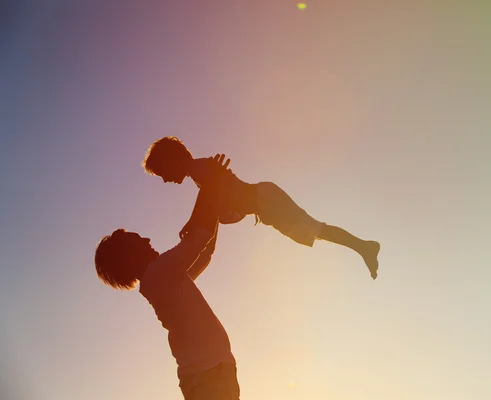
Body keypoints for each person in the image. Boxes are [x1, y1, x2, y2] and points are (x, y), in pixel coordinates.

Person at [142, 136, 381, 279]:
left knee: (318, 230)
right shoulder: (201, 173)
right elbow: (215, 203)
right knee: (318, 231)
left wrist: (194, 221)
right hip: (265, 203)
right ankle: (363, 247)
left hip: (265, 199)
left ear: (171, 160)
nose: (165, 179)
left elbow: (210, 190)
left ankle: (364, 247)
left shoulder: (203, 168)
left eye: (163, 172)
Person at [94, 172, 241, 399]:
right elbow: (199, 238)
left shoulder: (163, 280)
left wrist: (215, 204)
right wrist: (211, 186)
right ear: (129, 258)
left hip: (209, 376)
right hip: (209, 377)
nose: (148, 240)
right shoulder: (158, 274)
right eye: (139, 241)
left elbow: (204, 253)